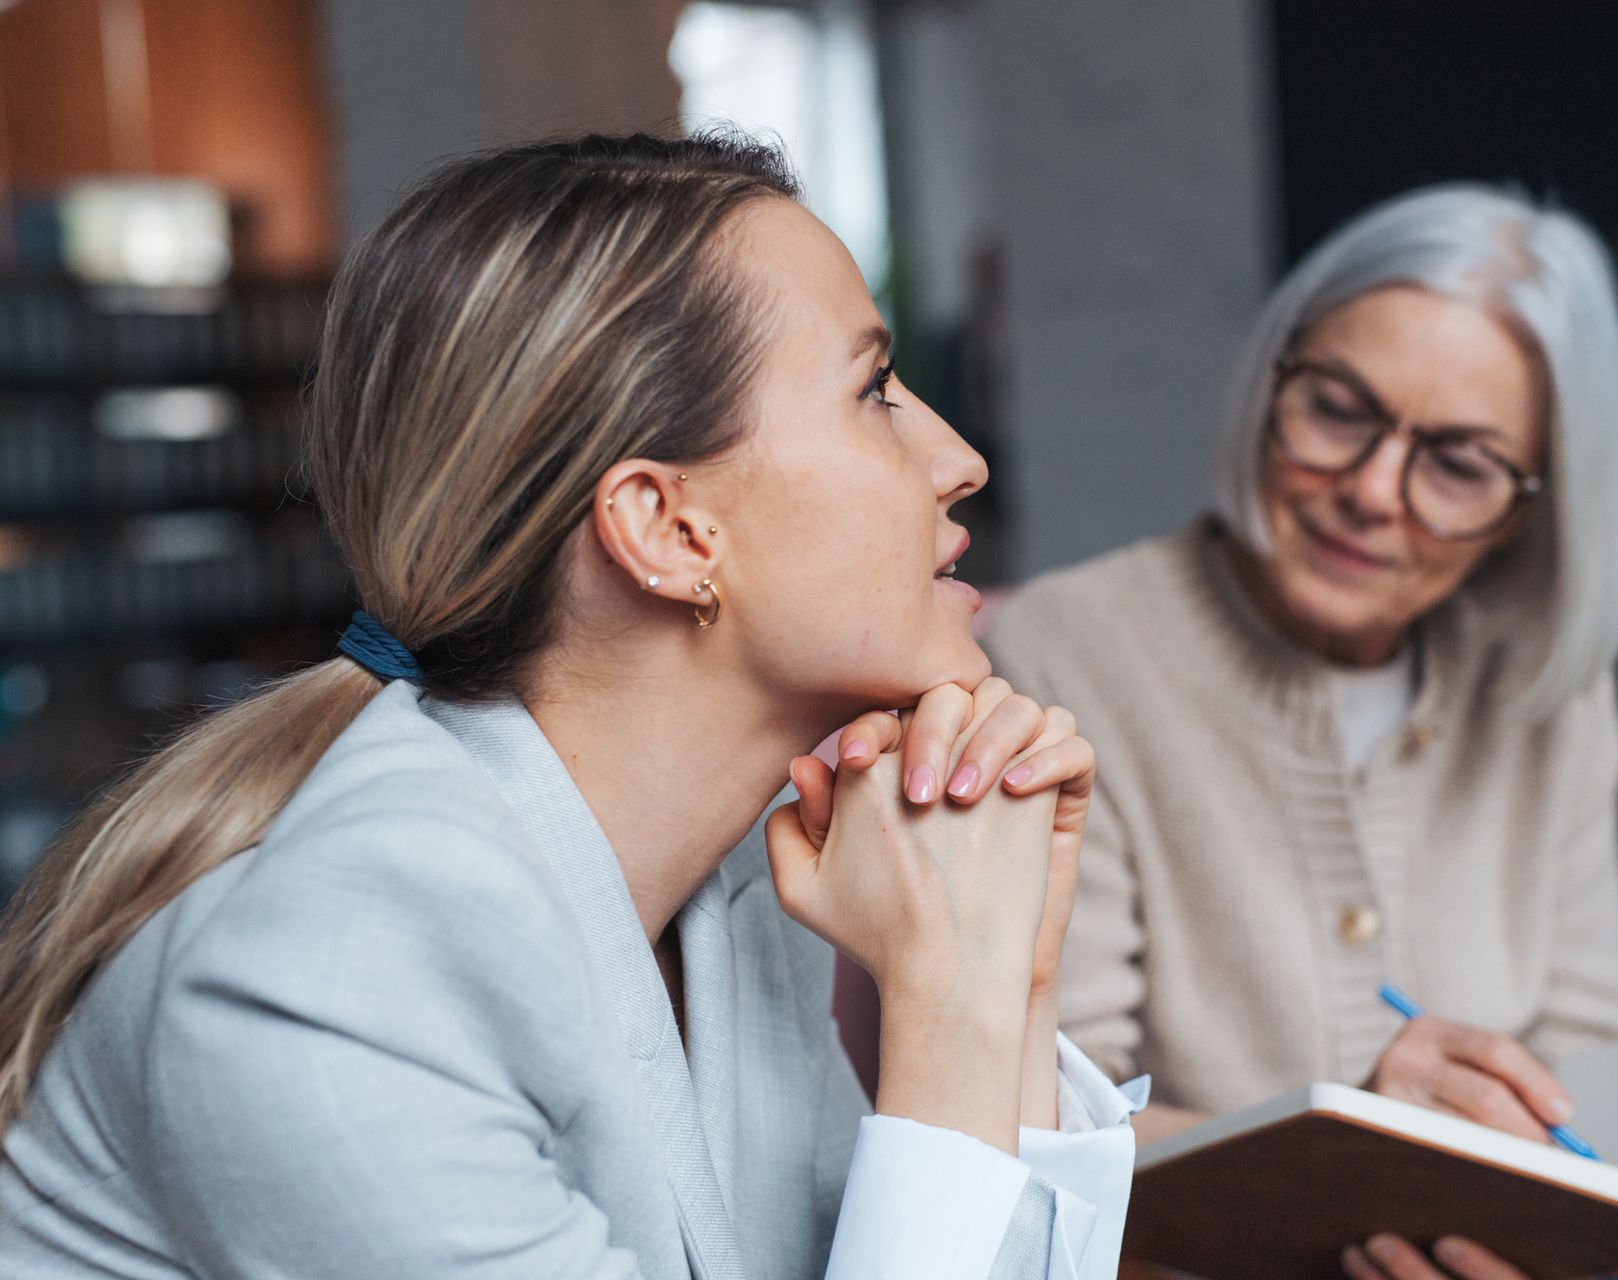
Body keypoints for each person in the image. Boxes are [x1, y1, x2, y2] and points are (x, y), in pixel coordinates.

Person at [0, 133, 1142, 1278]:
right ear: (666, 528)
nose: (960, 457)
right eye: (876, 391)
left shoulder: (738, 878)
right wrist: (946, 1002)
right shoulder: (341, 968)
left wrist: (1006, 971)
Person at [985, 184, 1618, 1280]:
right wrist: (1357, 1174)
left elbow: (1591, 1062)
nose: (1372, 490)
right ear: (1271, 381)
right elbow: (1053, 1128)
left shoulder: (1553, 688)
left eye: (1459, 464)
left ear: (1530, 509)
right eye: (1341, 408)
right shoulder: (1068, 654)